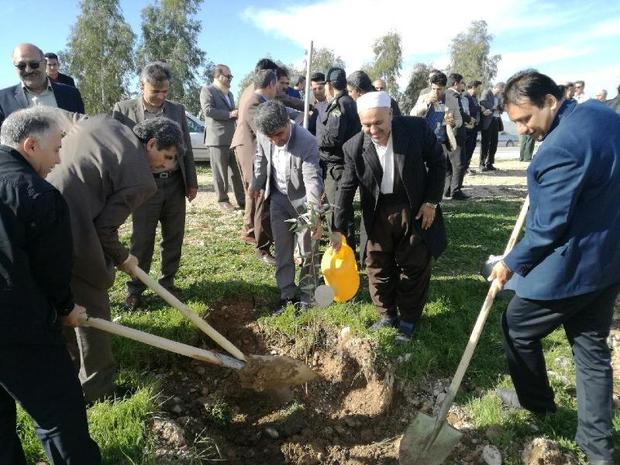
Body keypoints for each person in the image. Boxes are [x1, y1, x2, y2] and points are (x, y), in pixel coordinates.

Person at [490, 70, 620, 465]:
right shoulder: (602, 114)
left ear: (550, 100)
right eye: (514, 123)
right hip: (610, 260)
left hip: (575, 267)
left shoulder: (560, 147)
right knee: (591, 351)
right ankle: (599, 451)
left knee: (516, 326)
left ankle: (538, 405)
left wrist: (511, 263)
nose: (523, 129)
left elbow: (548, 229)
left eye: (526, 119)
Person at [47, 116, 183, 403]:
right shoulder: (141, 180)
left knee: (59, 301)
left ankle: (66, 372)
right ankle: (97, 390)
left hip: (39, 212)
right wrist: (124, 259)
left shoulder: (105, 123)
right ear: (152, 143)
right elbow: (103, 230)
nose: (168, 166)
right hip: (71, 229)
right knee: (92, 303)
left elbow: (64, 116)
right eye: (167, 157)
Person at [0, 107, 101, 464]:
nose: (59, 160)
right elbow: (53, 271)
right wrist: (65, 308)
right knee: (59, 415)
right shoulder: (38, 195)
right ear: (30, 145)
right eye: (57, 148)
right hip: (18, 329)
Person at [332, 92, 447, 342]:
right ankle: (386, 315)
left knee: (414, 264)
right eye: (366, 124)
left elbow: (439, 162)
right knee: (376, 264)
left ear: (391, 115)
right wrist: (338, 229)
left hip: (413, 205)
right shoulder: (354, 146)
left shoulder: (415, 130)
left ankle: (408, 319)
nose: (372, 130)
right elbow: (346, 189)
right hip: (377, 210)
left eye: (378, 123)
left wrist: (431, 202)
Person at [112, 61, 198, 311]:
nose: (160, 97)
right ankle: (136, 288)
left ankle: (167, 283)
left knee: (174, 236)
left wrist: (191, 181)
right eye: (155, 92)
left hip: (173, 185)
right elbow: (118, 150)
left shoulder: (177, 110)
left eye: (165, 92)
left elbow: (186, 150)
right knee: (142, 239)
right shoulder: (124, 110)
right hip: (142, 188)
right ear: (142, 86)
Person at [251, 100, 323, 313]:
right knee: (282, 249)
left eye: (280, 134)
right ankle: (286, 294)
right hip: (278, 199)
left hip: (303, 201)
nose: (276, 140)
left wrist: (313, 215)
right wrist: (256, 183)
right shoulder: (265, 135)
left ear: (288, 122)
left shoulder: (307, 142)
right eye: (271, 137)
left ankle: (307, 297)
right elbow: (261, 159)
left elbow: (312, 180)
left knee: (308, 250)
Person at [230, 69, 279, 265]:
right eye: (277, 86)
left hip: (252, 149)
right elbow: (264, 130)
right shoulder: (255, 101)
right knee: (260, 195)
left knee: (256, 194)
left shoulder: (258, 100)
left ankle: (254, 233)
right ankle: (262, 248)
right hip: (249, 150)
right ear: (271, 85)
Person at [316, 67, 361, 251]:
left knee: (337, 213)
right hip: (341, 165)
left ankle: (343, 252)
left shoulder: (339, 105)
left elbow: (334, 137)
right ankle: (346, 249)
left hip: (337, 168)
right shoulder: (349, 102)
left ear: (329, 85)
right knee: (343, 210)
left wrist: (313, 138)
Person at [0, 43, 84, 126]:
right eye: (21, 66)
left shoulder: (71, 94)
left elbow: (83, 130)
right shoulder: (3, 100)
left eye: (34, 64)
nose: (28, 70)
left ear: (44, 63)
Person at [200, 64, 245, 212]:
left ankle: (242, 200)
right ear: (219, 76)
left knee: (237, 172)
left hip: (232, 138)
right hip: (217, 139)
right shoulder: (208, 90)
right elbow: (207, 111)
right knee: (220, 173)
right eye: (229, 76)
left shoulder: (229, 94)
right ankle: (223, 200)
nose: (231, 79)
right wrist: (229, 114)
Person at [411, 71, 462, 198]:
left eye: (439, 89)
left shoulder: (451, 100)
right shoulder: (424, 97)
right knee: (422, 171)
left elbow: (459, 120)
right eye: (433, 88)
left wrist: (454, 122)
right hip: (424, 140)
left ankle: (434, 199)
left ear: (444, 88)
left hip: (441, 142)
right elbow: (412, 114)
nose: (436, 92)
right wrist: (426, 104)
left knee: (438, 171)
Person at [479, 82, 505, 171]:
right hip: (488, 121)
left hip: (496, 120)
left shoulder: (498, 97)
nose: (500, 93)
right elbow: (482, 103)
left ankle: (489, 163)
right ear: (497, 88)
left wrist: (499, 107)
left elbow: (502, 108)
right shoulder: (486, 92)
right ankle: (482, 164)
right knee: (486, 143)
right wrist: (494, 107)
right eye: (500, 91)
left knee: (494, 143)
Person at [463, 80, 482, 172]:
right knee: (467, 147)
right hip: (467, 127)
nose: (479, 90)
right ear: (473, 87)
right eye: (478, 88)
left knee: (472, 146)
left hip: (474, 127)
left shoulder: (475, 98)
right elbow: (466, 111)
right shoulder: (465, 96)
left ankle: (467, 166)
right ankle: (464, 167)